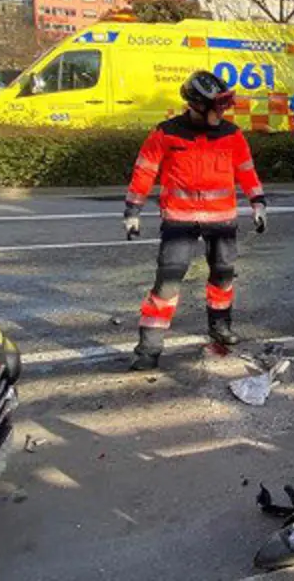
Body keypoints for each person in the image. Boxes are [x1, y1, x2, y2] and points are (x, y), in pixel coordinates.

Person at [122, 71, 268, 372]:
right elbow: (145, 171)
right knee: (167, 284)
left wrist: (258, 203)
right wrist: (132, 210)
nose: (222, 112)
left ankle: (220, 327)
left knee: (223, 278)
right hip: (179, 221)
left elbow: (246, 171)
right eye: (217, 106)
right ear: (197, 105)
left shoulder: (232, 134)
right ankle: (148, 349)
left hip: (222, 221)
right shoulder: (166, 133)